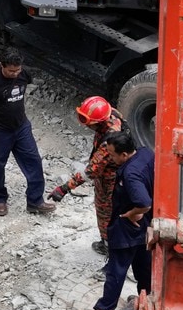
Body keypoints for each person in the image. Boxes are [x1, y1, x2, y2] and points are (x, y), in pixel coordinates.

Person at [0, 49, 55, 216]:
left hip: (21, 127)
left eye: (17, 70)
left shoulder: (23, 73)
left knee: (34, 161)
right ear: (1, 66)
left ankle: (35, 201)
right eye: (11, 71)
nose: (15, 74)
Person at [87, 131, 154, 310]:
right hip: (146, 226)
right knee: (144, 266)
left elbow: (144, 202)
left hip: (127, 226)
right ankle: (147, 301)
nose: (110, 158)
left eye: (113, 155)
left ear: (124, 155)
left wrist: (133, 213)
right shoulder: (146, 154)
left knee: (116, 270)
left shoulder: (130, 174)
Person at [48, 95, 127, 255]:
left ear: (98, 122)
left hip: (109, 179)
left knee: (105, 211)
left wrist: (64, 188)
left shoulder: (108, 143)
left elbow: (91, 171)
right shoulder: (113, 115)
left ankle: (108, 245)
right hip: (118, 174)